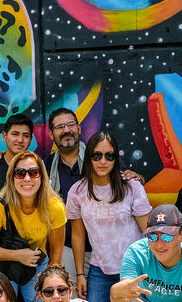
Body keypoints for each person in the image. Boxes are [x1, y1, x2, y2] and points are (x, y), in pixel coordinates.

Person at [42, 107, 145, 281]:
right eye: (60, 127)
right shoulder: (45, 168)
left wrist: (137, 177)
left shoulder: (101, 158)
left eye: (70, 125)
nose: (66, 130)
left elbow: (125, 182)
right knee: (75, 299)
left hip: (108, 250)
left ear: (79, 128)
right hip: (69, 245)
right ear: (51, 134)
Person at [67, 131, 152, 302]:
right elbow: (78, 235)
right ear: (88, 158)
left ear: (116, 159)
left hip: (133, 269)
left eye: (109, 156)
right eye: (97, 156)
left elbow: (148, 233)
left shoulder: (131, 186)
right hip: (99, 271)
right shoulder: (77, 191)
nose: (102, 161)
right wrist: (80, 274)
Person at [0, 151, 66, 302]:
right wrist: (18, 255)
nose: (27, 179)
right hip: (1, 262)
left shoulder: (54, 207)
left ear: (42, 176)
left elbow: (56, 252)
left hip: (36, 263)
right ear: (12, 178)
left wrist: (48, 283)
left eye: (33, 173)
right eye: (20, 173)